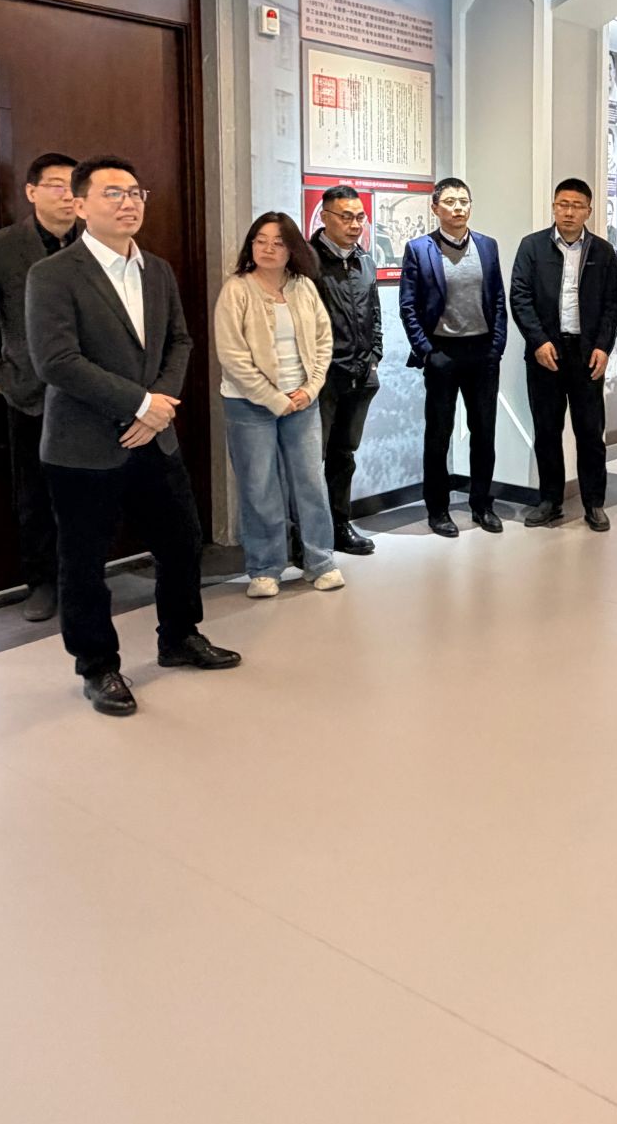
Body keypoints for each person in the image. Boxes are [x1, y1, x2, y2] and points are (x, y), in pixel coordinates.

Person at [26, 155, 239, 717]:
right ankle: (97, 665)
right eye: (113, 193)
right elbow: (57, 361)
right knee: (83, 562)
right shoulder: (53, 275)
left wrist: (158, 408)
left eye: (136, 192)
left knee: (181, 540)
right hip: (83, 447)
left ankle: (180, 636)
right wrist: (139, 404)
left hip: (155, 438)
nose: (129, 203)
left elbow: (180, 342)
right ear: (80, 205)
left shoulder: (157, 270)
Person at [0, 150, 81, 621]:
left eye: (74, 186)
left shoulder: (97, 243)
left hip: (93, 392)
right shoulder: (1, 247)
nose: (67, 195)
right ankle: (42, 583)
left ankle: (83, 577)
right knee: (36, 495)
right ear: (31, 192)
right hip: (31, 393)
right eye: (56, 185)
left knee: (90, 491)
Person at [215, 212, 345, 599]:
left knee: (310, 482)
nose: (268, 248)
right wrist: (273, 399)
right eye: (260, 240)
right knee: (259, 486)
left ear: (292, 249)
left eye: (278, 242)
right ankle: (265, 567)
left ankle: (320, 561)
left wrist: (310, 388)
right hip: (248, 404)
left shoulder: (303, 287)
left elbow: (323, 341)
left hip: (302, 401)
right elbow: (232, 355)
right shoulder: (236, 289)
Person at [511, 179, 617, 531]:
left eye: (577, 205)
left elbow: (612, 304)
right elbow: (520, 296)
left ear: (589, 211)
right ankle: (550, 501)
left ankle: (594, 503)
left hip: (586, 353)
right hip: (546, 352)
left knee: (590, 432)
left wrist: (603, 347)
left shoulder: (603, 252)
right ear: (553, 207)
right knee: (547, 430)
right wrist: (537, 341)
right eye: (563, 204)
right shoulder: (532, 247)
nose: (569, 211)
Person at [398, 177, 508, 538]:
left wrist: (496, 348)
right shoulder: (419, 249)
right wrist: (428, 352)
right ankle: (438, 509)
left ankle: (482, 504)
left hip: (482, 353)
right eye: (449, 201)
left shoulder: (487, 246)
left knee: (484, 433)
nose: (457, 207)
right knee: (439, 434)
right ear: (435, 208)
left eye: (463, 201)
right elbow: (408, 307)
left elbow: (497, 299)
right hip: (442, 353)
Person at [310, 184, 382, 556]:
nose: (354, 225)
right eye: (346, 217)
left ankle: (340, 525)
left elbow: (374, 311)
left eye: (359, 217)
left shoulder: (364, 260)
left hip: (360, 375)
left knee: (343, 456)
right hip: (322, 379)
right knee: (310, 460)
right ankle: (306, 536)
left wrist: (375, 355)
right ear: (325, 217)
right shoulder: (307, 262)